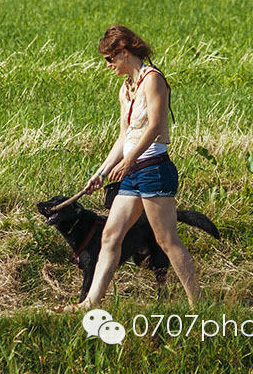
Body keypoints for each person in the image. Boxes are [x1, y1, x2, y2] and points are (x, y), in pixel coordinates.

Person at [75, 24, 201, 309]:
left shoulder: (152, 79)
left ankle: (199, 305)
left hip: (154, 168)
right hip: (133, 172)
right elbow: (124, 136)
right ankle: (91, 303)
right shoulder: (126, 88)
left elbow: (156, 126)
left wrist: (130, 161)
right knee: (110, 235)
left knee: (166, 239)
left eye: (110, 59)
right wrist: (102, 172)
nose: (107, 65)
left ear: (124, 51)